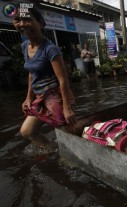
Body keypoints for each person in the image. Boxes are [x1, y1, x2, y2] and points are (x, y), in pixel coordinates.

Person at [12, 6, 77, 148]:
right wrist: (29, 97)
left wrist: (67, 108)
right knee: (27, 131)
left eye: (27, 20)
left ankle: (68, 151)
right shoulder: (24, 46)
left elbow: (63, 79)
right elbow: (31, 72)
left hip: (55, 95)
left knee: (64, 125)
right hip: (39, 96)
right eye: (18, 20)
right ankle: (52, 150)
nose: (22, 24)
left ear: (40, 23)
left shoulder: (50, 49)